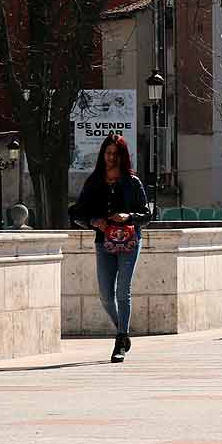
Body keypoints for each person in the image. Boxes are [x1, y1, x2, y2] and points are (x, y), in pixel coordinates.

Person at [70, 134, 151, 363]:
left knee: (122, 291)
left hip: (129, 241)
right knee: (106, 295)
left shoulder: (132, 182)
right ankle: (122, 331)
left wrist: (129, 216)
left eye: (116, 154)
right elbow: (77, 212)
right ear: (103, 154)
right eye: (108, 153)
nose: (111, 158)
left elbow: (147, 215)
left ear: (122, 156)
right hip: (103, 241)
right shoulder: (94, 181)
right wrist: (95, 221)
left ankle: (120, 341)